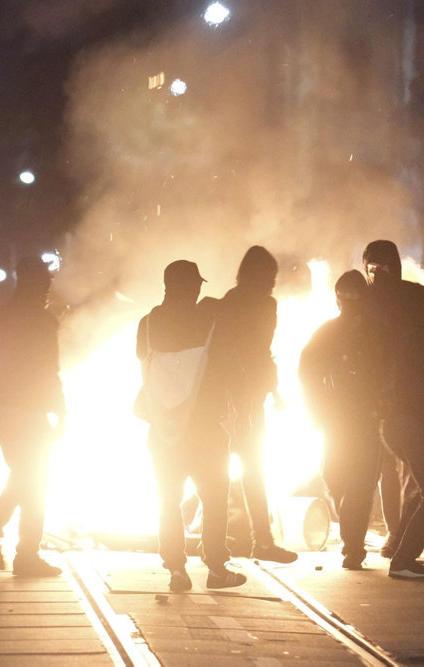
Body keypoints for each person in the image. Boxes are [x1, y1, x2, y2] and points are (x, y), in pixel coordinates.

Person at [136, 260, 247, 591]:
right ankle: (215, 566)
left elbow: (143, 359)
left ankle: (176, 570)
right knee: (214, 497)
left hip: (163, 426)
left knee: (167, 498)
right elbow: (228, 365)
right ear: (193, 286)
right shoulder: (209, 319)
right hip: (204, 426)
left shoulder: (148, 323)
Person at [0, 257, 64, 577]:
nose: (47, 289)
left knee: (24, 477)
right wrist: (62, 411)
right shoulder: (43, 322)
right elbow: (48, 371)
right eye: (45, 283)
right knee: (34, 481)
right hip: (29, 412)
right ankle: (24, 552)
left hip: (2, 412)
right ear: (36, 284)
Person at [213, 245, 297, 564]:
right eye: (270, 276)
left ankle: (226, 540)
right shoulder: (263, 305)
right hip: (244, 400)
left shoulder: (227, 303)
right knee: (249, 470)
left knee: (224, 470)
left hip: (230, 398)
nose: (273, 283)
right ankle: (259, 540)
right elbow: (260, 351)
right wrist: (272, 390)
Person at [298, 270, 383, 570]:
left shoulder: (376, 334)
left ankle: (353, 545)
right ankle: (352, 540)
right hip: (336, 421)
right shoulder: (328, 333)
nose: (349, 305)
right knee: (335, 477)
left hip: (366, 420)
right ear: (337, 300)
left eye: (354, 299)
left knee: (359, 483)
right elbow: (306, 372)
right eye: (344, 299)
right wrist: (316, 411)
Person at [361, 240, 424, 579]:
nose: (379, 274)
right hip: (402, 412)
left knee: (411, 480)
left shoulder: (404, 302)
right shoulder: (413, 302)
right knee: (407, 479)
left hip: (399, 411)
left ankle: (399, 546)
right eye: (374, 268)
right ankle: (401, 554)